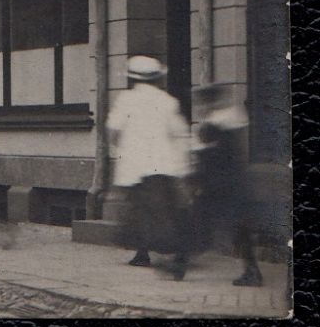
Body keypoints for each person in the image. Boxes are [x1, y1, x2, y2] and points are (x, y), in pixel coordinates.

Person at [109, 54, 192, 278]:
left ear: (132, 79)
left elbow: (113, 130)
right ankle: (145, 253)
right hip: (162, 165)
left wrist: (121, 149)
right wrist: (183, 165)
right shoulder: (168, 101)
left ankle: (172, 257)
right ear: (157, 79)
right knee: (161, 210)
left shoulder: (126, 99)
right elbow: (180, 134)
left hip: (134, 166)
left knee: (141, 211)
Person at [189, 83, 263, 287]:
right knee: (239, 229)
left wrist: (198, 181)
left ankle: (179, 263)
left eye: (202, 102)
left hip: (217, 186)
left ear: (209, 102)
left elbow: (207, 157)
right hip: (235, 184)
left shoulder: (214, 124)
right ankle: (252, 270)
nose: (200, 107)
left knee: (197, 222)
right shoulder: (234, 118)